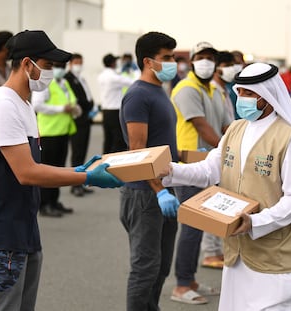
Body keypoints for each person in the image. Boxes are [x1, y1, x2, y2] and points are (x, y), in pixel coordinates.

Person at [0, 30, 123, 311]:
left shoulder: (24, 104)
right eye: (48, 65)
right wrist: (86, 177)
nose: (52, 72)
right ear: (28, 64)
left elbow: (32, 165)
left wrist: (75, 169)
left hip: (23, 230)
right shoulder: (4, 105)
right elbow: (26, 173)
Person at [161, 63, 291, 311]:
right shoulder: (235, 129)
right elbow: (210, 169)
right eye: (240, 92)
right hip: (237, 254)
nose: (242, 99)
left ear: (267, 97)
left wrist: (256, 222)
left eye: (249, 94)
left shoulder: (289, 139)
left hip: (275, 257)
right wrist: (172, 170)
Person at [119, 31, 180, 311]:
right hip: (145, 194)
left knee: (161, 267)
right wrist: (159, 192)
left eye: (172, 57)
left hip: (164, 189)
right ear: (147, 61)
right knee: (145, 268)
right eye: (166, 58)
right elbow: (137, 151)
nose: (172, 63)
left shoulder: (159, 92)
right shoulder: (138, 96)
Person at [170, 41, 231, 305]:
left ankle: (190, 279)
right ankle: (182, 285)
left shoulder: (214, 91)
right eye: (201, 57)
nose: (206, 61)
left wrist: (234, 145)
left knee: (201, 224)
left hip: (210, 164)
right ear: (193, 60)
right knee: (192, 226)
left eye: (210, 58)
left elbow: (225, 125)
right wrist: (228, 152)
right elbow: (202, 126)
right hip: (190, 165)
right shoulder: (187, 88)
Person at [31, 61, 80, 217]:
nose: (59, 69)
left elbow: (71, 101)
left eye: (62, 66)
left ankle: (54, 201)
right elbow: (37, 105)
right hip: (48, 133)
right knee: (48, 171)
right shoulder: (44, 85)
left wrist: (75, 109)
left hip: (63, 131)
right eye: (56, 66)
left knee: (58, 169)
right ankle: (44, 204)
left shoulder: (64, 82)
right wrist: (61, 109)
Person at [64, 53, 96, 197]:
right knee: (77, 153)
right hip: (77, 119)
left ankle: (80, 181)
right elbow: (76, 99)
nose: (79, 65)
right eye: (76, 62)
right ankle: (75, 184)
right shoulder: (68, 79)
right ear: (70, 63)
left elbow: (87, 95)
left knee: (82, 152)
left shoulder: (80, 78)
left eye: (81, 62)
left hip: (86, 119)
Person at [98, 53, 134, 153]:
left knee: (108, 139)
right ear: (113, 63)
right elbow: (132, 82)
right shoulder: (114, 77)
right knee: (118, 140)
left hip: (106, 111)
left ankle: (104, 159)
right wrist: (135, 71)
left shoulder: (102, 76)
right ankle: (115, 164)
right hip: (115, 112)